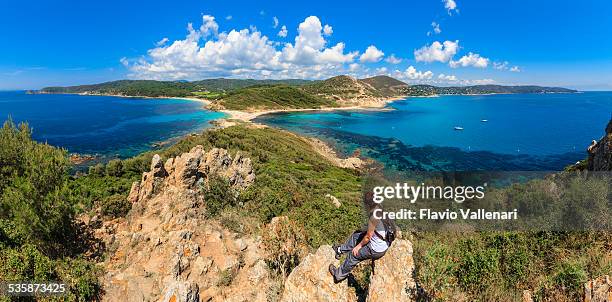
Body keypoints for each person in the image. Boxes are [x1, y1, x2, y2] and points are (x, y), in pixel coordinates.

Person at [328, 191, 393, 283]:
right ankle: (340, 250)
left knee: (353, 255)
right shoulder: (380, 207)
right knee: (356, 236)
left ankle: (338, 275)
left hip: (376, 248)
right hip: (383, 239)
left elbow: (368, 237)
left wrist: (358, 247)